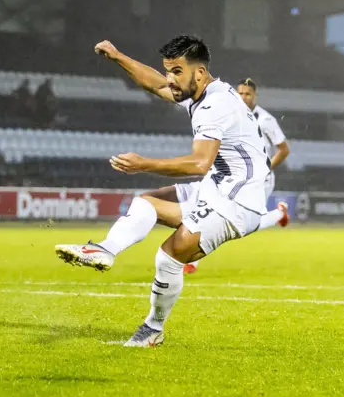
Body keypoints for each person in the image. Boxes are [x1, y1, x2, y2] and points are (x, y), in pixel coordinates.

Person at [55, 35, 273, 347]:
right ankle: (104, 249)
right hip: (217, 188)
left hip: (238, 203)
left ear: (198, 72)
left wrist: (144, 164)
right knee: (146, 203)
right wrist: (118, 56)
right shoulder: (203, 90)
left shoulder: (215, 105)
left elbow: (199, 162)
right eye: (168, 70)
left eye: (176, 71)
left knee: (170, 256)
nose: (170, 79)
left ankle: (152, 331)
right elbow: (156, 85)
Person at [184, 78, 291, 274]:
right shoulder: (229, 113)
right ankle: (191, 260)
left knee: (248, 225)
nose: (243, 97)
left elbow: (284, 149)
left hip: (259, 180)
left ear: (254, 96)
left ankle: (278, 214)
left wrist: (267, 168)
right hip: (231, 175)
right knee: (215, 212)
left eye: (247, 94)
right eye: (240, 93)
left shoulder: (266, 120)